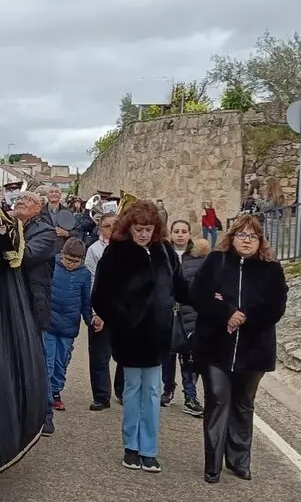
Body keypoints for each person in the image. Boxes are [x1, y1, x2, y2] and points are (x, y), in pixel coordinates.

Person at [190, 213, 287, 484]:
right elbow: (198, 294)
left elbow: (275, 306)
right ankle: (213, 463)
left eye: (253, 236)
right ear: (232, 238)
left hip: (254, 348)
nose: (247, 241)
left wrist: (244, 316)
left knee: (244, 404)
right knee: (218, 400)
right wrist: (225, 312)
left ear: (260, 241)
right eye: (242, 235)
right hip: (215, 346)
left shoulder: (271, 270)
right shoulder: (215, 262)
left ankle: (240, 460)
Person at [92, 200, 188, 473]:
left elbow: (181, 288)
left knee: (153, 391)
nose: (144, 234)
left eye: (148, 229)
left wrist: (212, 296)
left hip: (158, 334)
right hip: (131, 335)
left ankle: (149, 448)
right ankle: (131, 447)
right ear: (129, 228)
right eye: (139, 229)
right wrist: (123, 319)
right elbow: (100, 295)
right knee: (133, 391)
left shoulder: (165, 251)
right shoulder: (116, 253)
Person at [12, 190, 59, 435]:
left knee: (37, 358)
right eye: (18, 199)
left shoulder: (46, 232)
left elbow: (25, 255)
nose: (20, 202)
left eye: (27, 200)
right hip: (12, 300)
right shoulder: (12, 224)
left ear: (38, 208)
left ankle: (46, 413)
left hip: (32, 302)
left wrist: (6, 234)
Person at [45, 238, 94, 412]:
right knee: (48, 362)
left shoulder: (84, 275)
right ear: (62, 255)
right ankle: (46, 396)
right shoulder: (52, 266)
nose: (71, 264)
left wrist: (90, 320)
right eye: (68, 259)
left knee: (61, 362)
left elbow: (86, 301)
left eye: (76, 261)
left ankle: (56, 391)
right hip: (49, 323)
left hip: (68, 327)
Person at [161, 220, 202, 413]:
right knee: (167, 355)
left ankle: (190, 395)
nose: (180, 235)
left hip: (189, 313)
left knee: (190, 357)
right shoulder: (163, 256)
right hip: (168, 312)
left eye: (184, 231)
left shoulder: (199, 259)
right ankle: (167, 389)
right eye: (176, 231)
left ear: (189, 234)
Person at [85, 212, 116, 411]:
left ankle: (122, 391)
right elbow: (91, 282)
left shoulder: (134, 249)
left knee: (127, 354)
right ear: (101, 228)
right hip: (102, 308)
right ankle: (102, 395)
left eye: (116, 225)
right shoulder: (94, 250)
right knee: (99, 355)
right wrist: (96, 312)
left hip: (125, 310)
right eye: (107, 226)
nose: (112, 229)